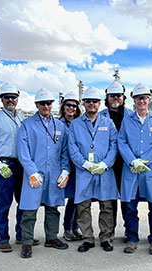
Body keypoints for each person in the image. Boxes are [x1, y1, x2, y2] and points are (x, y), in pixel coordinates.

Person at [18, 89, 70, 258]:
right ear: (36, 105)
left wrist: (65, 170)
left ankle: (51, 237)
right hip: (34, 173)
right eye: (42, 103)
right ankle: (27, 242)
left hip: (54, 173)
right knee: (29, 209)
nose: (46, 106)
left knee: (52, 207)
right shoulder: (27, 124)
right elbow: (23, 151)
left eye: (49, 103)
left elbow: (65, 152)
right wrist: (32, 172)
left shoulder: (60, 126)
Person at [68, 87, 118, 253]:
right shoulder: (75, 124)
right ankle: (88, 238)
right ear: (84, 103)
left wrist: (105, 164)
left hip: (104, 171)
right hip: (84, 171)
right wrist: (85, 164)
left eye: (95, 101)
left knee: (106, 206)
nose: (91, 104)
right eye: (88, 101)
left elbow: (114, 146)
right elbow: (72, 147)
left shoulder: (108, 123)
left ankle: (105, 237)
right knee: (83, 206)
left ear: (99, 103)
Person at [118, 83, 152, 255]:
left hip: (151, 171)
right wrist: (132, 161)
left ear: (149, 99)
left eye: (144, 97)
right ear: (134, 100)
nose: (141, 101)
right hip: (131, 171)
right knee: (130, 206)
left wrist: (144, 160)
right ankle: (132, 238)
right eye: (138, 98)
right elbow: (121, 142)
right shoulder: (127, 120)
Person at [0, 82, 28, 252]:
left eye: (13, 97)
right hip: (5, 165)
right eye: (7, 97)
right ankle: (2, 238)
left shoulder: (22, 118)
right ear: (1, 99)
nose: (10, 100)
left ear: (17, 99)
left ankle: (21, 235)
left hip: (21, 165)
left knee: (23, 203)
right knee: (3, 204)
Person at [100, 81, 133, 242]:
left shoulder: (131, 115)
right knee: (109, 199)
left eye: (118, 95)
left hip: (126, 163)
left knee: (127, 198)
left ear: (123, 97)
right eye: (112, 95)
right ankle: (109, 230)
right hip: (108, 164)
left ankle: (129, 229)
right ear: (107, 97)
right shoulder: (100, 116)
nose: (115, 98)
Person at [59, 91, 83, 242]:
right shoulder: (58, 124)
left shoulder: (80, 123)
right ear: (63, 107)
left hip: (79, 165)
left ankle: (75, 226)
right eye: (68, 105)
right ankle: (67, 228)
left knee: (79, 199)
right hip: (66, 166)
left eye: (74, 106)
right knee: (72, 198)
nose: (71, 108)